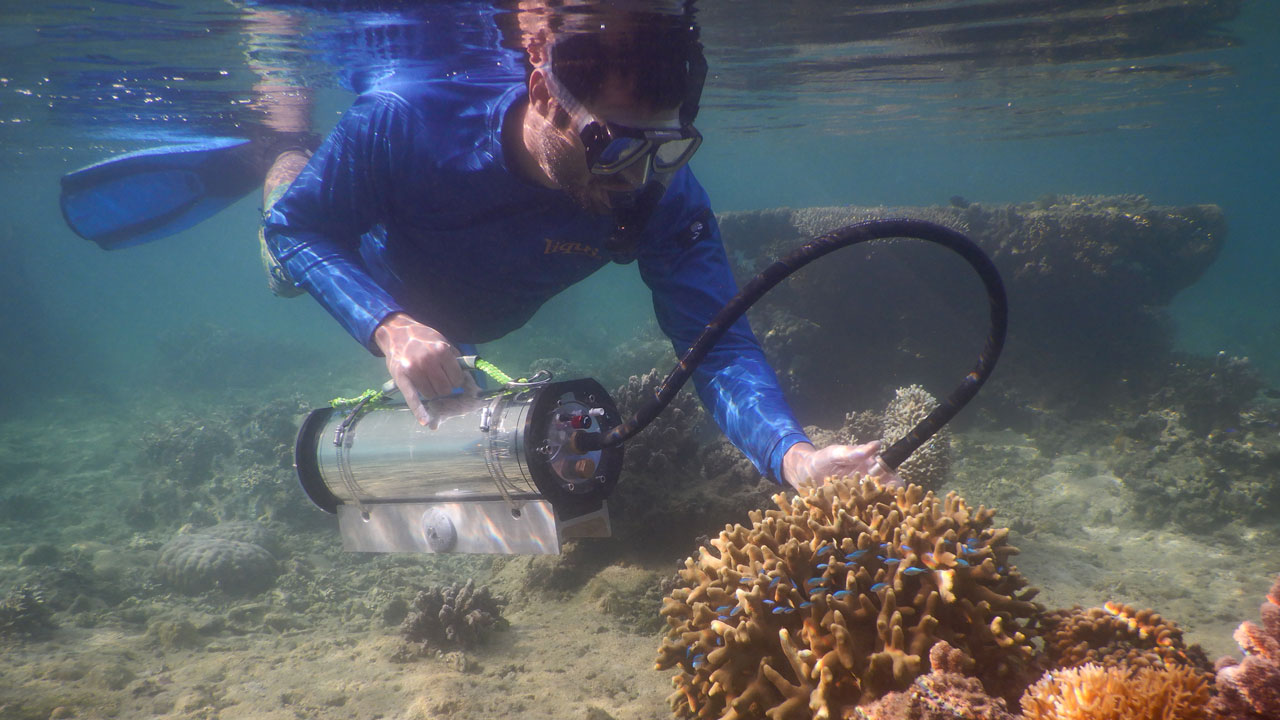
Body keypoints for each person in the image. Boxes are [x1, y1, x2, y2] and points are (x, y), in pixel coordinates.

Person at [259, 1, 898, 492]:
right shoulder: (402, 121)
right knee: (281, 256)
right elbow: (296, 228)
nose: (636, 177)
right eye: (615, 147)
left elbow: (718, 341)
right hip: (382, 275)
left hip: (473, 323)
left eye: (662, 148)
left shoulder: (664, 194)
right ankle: (286, 148)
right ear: (543, 94)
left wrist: (796, 457)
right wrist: (390, 326)